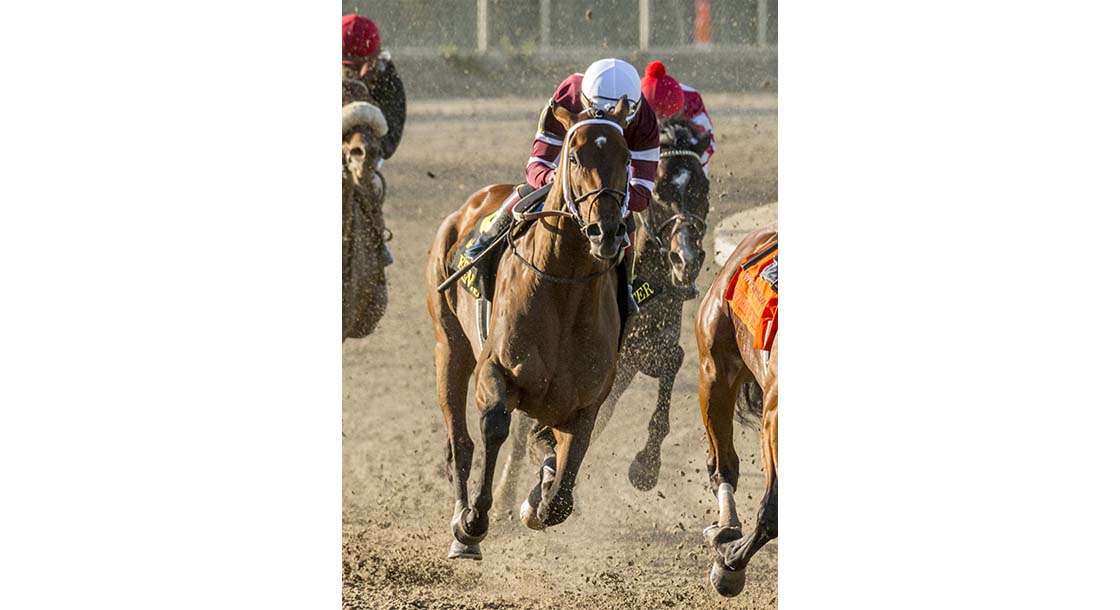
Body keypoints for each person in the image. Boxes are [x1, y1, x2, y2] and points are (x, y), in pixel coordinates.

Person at [463, 58, 659, 311]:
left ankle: (628, 284)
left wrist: (606, 197)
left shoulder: (645, 121)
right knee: (531, 189)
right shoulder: (568, 96)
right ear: (584, 103)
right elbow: (536, 166)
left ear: (632, 112)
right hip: (572, 164)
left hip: (613, 174)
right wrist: (556, 181)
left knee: (624, 215)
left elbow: (641, 195)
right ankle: (482, 247)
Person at [342, 14, 406, 161]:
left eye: (358, 67)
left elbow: (388, 145)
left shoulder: (387, 80)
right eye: (346, 68)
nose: (352, 76)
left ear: (373, 62)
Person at [639, 61, 716, 175]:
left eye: (666, 117)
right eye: (658, 118)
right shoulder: (630, 100)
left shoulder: (692, 99)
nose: (662, 121)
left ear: (681, 107)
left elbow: (708, 145)